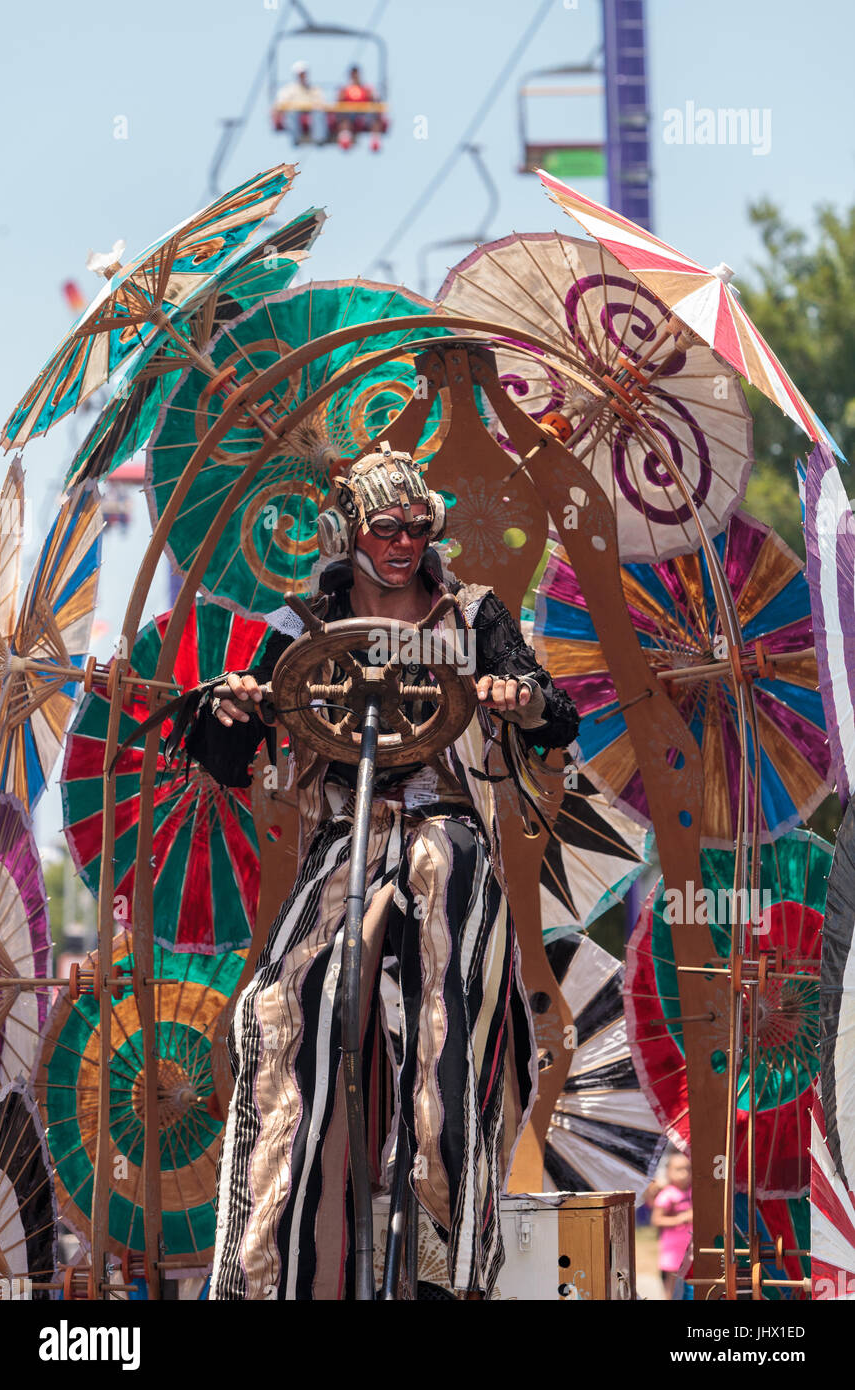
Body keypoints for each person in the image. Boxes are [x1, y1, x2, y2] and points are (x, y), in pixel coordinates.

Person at [170, 445, 579, 1300]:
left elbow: (553, 717)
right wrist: (232, 707)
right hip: (346, 834)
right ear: (347, 531)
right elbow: (223, 756)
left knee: (449, 1016)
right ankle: (267, 1271)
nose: (402, 542)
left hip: (450, 831)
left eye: (416, 526)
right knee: (274, 1012)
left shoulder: (473, 615)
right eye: (385, 527)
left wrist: (522, 699)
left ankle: (445, 1258)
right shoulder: (302, 623)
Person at [651, 1152, 693, 1299]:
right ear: (668, 1171)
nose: (684, 1174)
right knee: (672, 1286)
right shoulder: (667, 1195)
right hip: (672, 1249)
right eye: (679, 1169)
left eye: (688, 1169)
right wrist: (680, 1218)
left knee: (689, 1285)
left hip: (690, 1247)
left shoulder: (693, 1192)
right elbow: (656, 1220)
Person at [272, 60, 327, 145]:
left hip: (311, 113)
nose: (303, 76)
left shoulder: (314, 90)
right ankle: (296, 139)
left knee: (319, 113)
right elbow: (279, 103)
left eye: (304, 74)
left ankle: (319, 139)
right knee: (291, 113)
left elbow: (322, 103)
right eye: (301, 74)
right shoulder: (288, 90)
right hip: (295, 113)